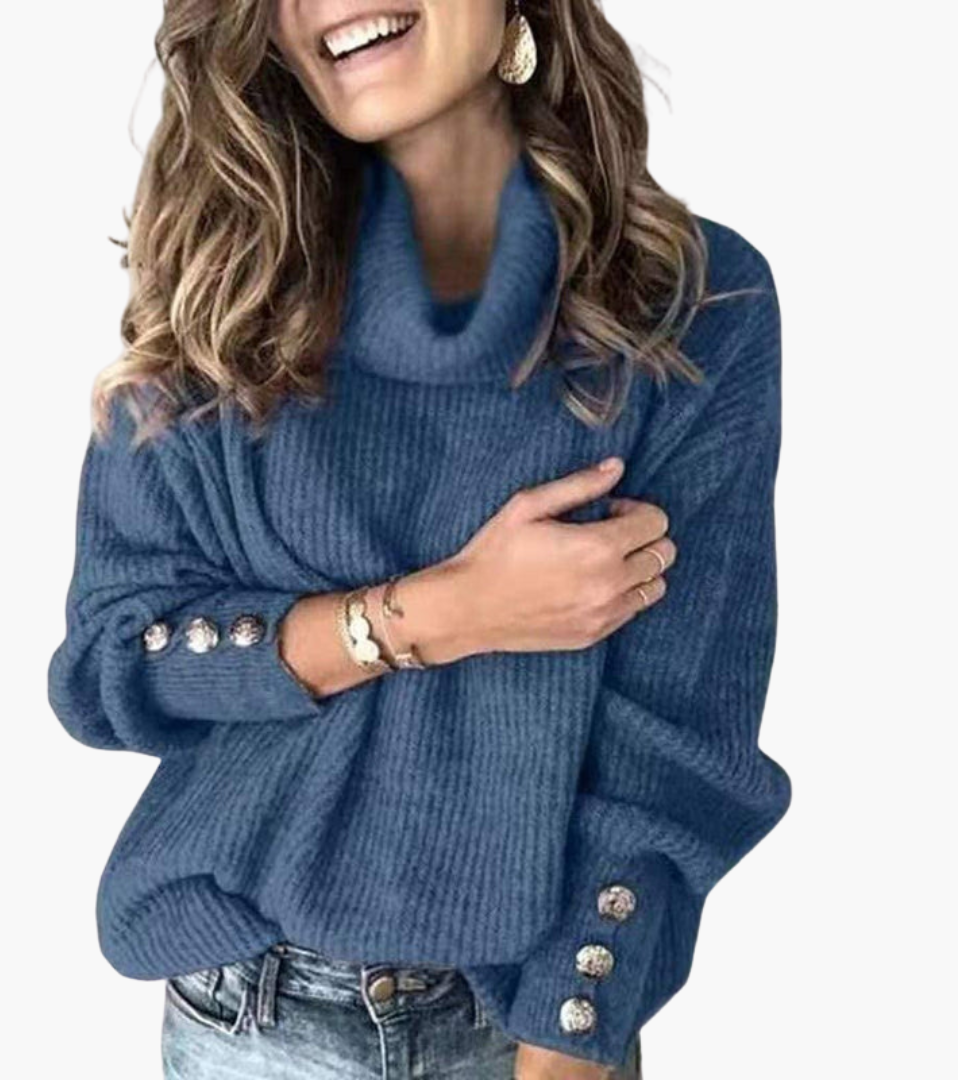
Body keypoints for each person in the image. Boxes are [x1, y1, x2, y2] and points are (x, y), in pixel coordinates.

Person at [46, 2, 791, 1077]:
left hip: (534, 1012)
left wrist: (569, 1034)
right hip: (255, 1017)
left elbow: (678, 740)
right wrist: (439, 615)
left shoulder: (692, 305)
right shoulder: (224, 293)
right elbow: (111, 667)